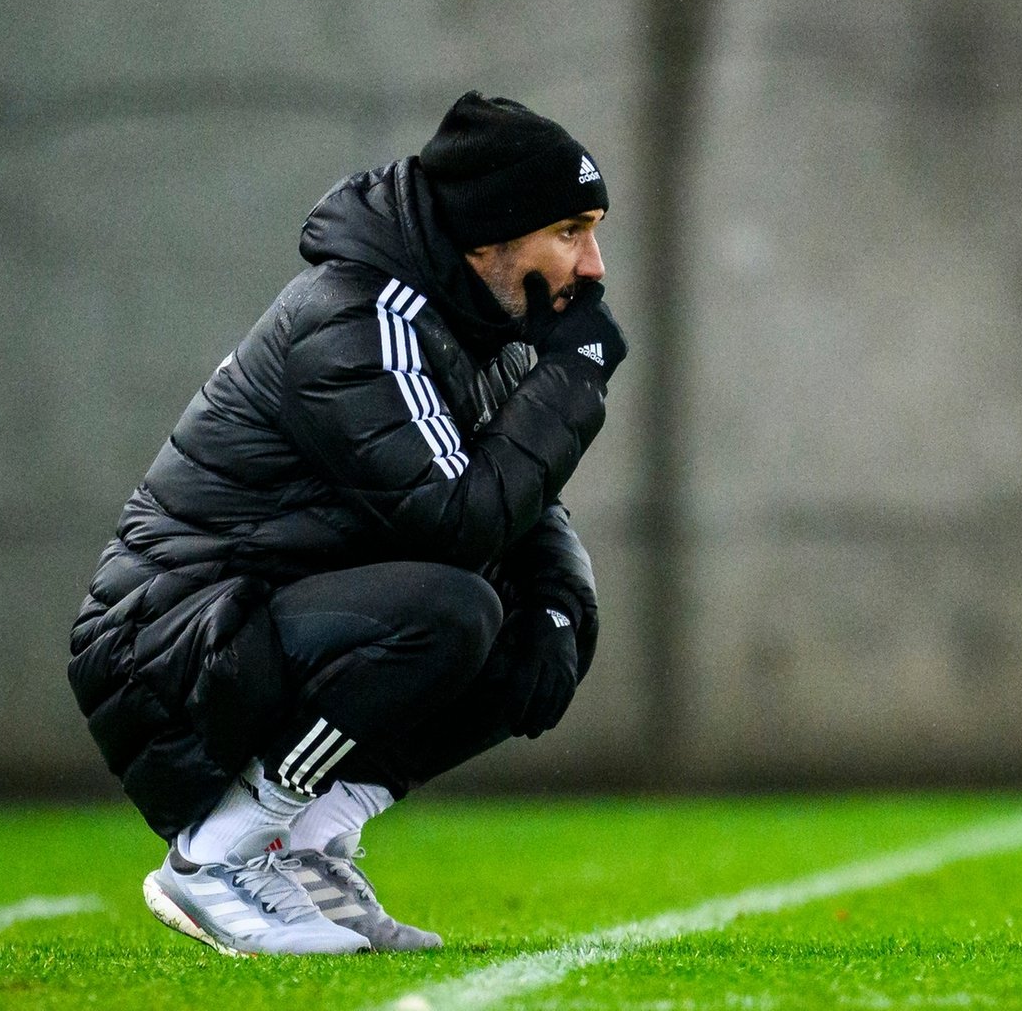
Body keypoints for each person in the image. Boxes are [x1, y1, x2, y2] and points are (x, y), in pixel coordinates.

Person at [67, 92, 627, 956]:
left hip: (252, 629)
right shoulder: (361, 316)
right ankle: (220, 852)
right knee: (452, 611)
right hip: (164, 647)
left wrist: (559, 609)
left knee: (535, 637)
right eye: (570, 231)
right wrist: (571, 385)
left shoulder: (474, 328)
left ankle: (308, 844)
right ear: (488, 235)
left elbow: (522, 512)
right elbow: (455, 521)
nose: (592, 267)